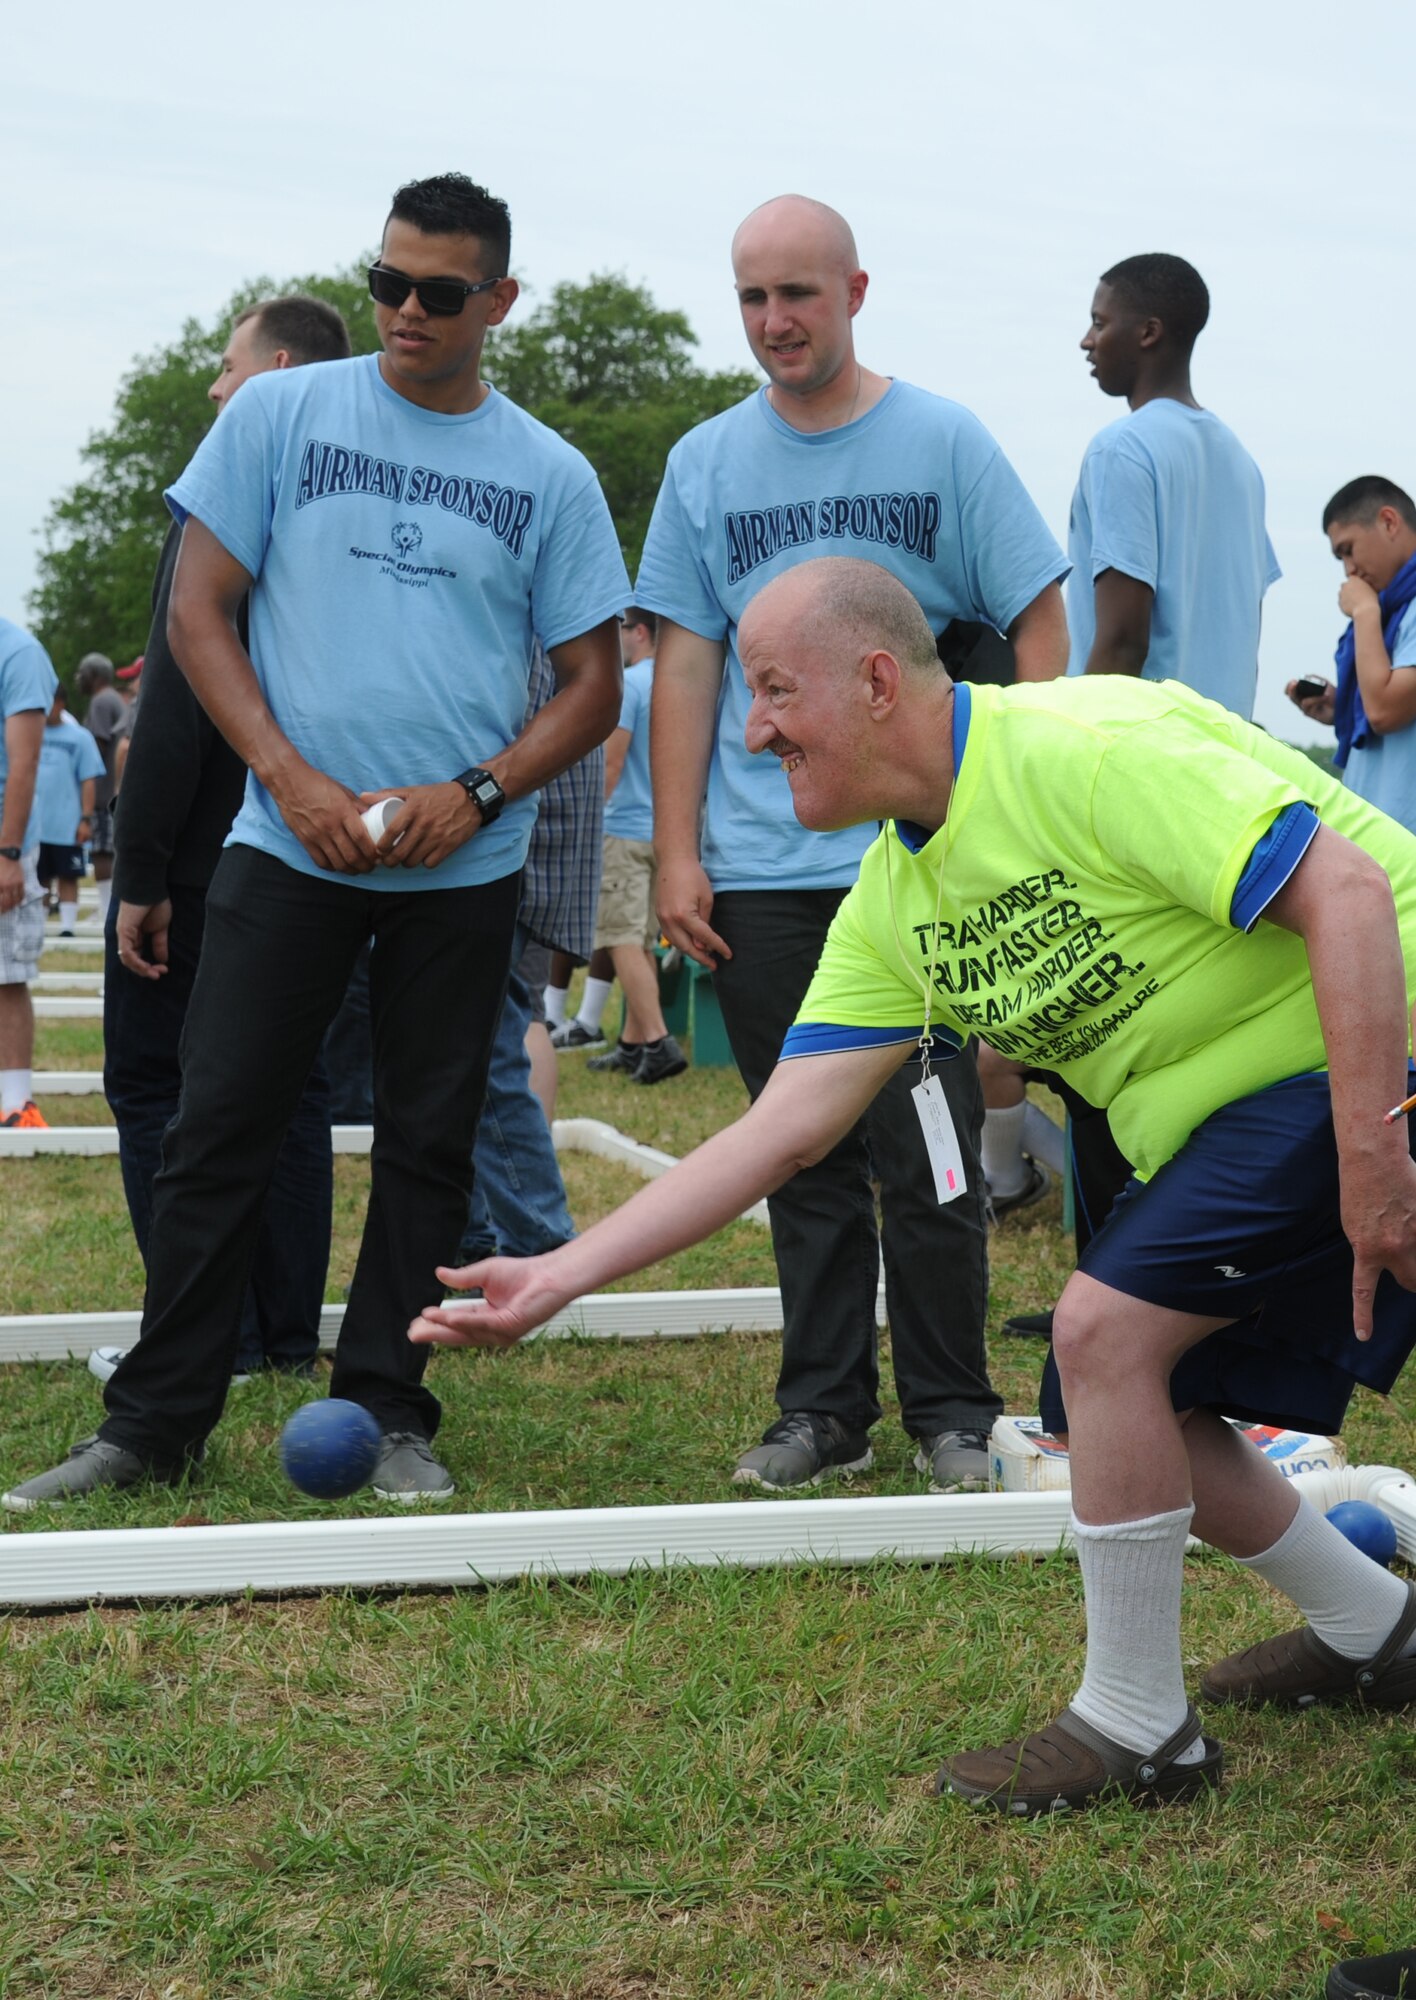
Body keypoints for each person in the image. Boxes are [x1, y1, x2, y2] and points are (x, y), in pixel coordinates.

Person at [412, 557, 1416, 1816]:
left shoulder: (1083, 745)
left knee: (1107, 1336)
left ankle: (1140, 1725)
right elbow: (779, 1128)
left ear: (878, 681)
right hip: (1206, 1109)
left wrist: (1377, 1163)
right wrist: (557, 1273)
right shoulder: (895, 896)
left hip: (1372, 1035)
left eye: (775, 688)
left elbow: (1350, 890)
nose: (752, 724)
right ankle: (1377, 1627)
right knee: (1120, 1393)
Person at [2, 170, 628, 1512]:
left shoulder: (549, 474)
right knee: (218, 1125)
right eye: (387, 282)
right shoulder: (281, 415)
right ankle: (154, 1421)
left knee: (427, 1140)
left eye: (438, 292)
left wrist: (480, 791)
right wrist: (284, 777)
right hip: (286, 851)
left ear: (498, 302)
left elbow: (591, 680)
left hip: (459, 870)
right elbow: (198, 618)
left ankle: (387, 1408)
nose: (405, 310)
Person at [636, 193, 1070, 1493]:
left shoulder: (941, 439)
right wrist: (674, 850)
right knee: (798, 1148)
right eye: (753, 299)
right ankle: (824, 1409)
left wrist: (1019, 803)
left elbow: (1039, 618)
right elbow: (686, 663)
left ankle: (948, 1407)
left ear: (856, 293)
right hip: (764, 879)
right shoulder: (706, 463)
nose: (775, 323)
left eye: (800, 296)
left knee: (930, 1150)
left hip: (922, 869)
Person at [991, 251, 1282, 1310]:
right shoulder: (1239, 458)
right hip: (1226, 776)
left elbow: (1119, 634)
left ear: (1149, 331)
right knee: (1191, 1058)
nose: (1087, 338)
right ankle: (1169, 1298)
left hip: (1130, 776)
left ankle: (1111, 1301)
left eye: (1100, 319)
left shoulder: (1123, 449)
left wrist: (1051, 770)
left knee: (1105, 1055)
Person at [94, 296, 352, 1388]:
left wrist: (140, 869)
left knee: (158, 1086)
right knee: (291, 1098)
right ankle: (285, 1334)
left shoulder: (232, 492)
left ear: (276, 367)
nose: (213, 386)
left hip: (210, 856)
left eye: (225, 364)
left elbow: (178, 707)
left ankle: (211, 1339)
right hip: (316, 847)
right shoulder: (345, 505)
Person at [559, 606, 685, 1082]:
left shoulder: (632, 684)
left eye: (619, 629)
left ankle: (658, 1041)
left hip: (624, 827)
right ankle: (633, 1045)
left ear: (639, 632)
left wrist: (589, 825)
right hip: (664, 830)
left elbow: (611, 763)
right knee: (642, 939)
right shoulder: (675, 682)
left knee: (617, 938)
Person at [1287, 477, 1416, 837]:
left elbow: (1385, 711)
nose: (1348, 569)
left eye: (1349, 549)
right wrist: (1341, 705)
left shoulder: (1377, 611)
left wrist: (1364, 612)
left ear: (1389, 522)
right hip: (1378, 838)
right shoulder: (1395, 609)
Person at [0, 617, 58, 1130]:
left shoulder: (19, 653)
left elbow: (25, 761)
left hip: (4, 837)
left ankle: (16, 1104)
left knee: (6, 973)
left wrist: (9, 852)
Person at [34, 690, 103, 936]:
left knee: (68, 876)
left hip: (66, 821)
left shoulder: (80, 737)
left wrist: (85, 818)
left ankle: (66, 927)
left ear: (61, 703)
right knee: (39, 879)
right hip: (36, 824)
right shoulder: (31, 732)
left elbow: (88, 779)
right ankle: (39, 926)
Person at [75, 653, 125, 928]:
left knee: (102, 852)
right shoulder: (113, 699)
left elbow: (97, 745)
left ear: (94, 676)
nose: (78, 679)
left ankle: (105, 909)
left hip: (103, 792)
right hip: (112, 789)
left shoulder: (101, 702)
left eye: (81, 673)